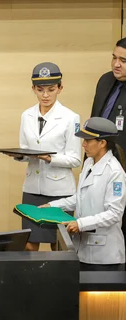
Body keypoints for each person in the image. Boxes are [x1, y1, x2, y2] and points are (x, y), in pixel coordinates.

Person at [10, 62, 81, 251]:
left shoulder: (70, 117)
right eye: (40, 90)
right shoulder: (27, 115)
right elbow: (26, 149)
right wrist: (19, 155)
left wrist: (49, 158)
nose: (46, 95)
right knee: (29, 244)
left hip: (59, 191)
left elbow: (75, 159)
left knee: (57, 246)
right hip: (33, 188)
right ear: (33, 89)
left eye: (51, 89)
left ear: (60, 88)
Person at [41, 117, 126, 271]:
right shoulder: (89, 163)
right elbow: (79, 197)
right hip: (83, 248)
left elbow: (114, 213)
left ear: (102, 143)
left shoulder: (115, 172)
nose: (83, 144)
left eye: (88, 140)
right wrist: (52, 205)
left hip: (104, 255)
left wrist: (81, 224)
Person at [90, 37, 126, 241]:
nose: (116, 64)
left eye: (123, 60)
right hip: (98, 163)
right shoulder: (105, 80)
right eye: (114, 58)